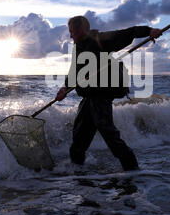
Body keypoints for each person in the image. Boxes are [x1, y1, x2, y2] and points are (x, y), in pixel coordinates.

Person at [55, 16, 162, 171]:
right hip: (88, 96)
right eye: (70, 32)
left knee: (108, 133)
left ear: (82, 29)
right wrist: (65, 88)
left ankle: (132, 169)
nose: (71, 36)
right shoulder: (78, 47)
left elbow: (128, 32)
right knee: (79, 135)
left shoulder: (101, 39)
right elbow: (74, 72)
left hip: (101, 95)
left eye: (73, 32)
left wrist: (149, 31)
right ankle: (77, 170)